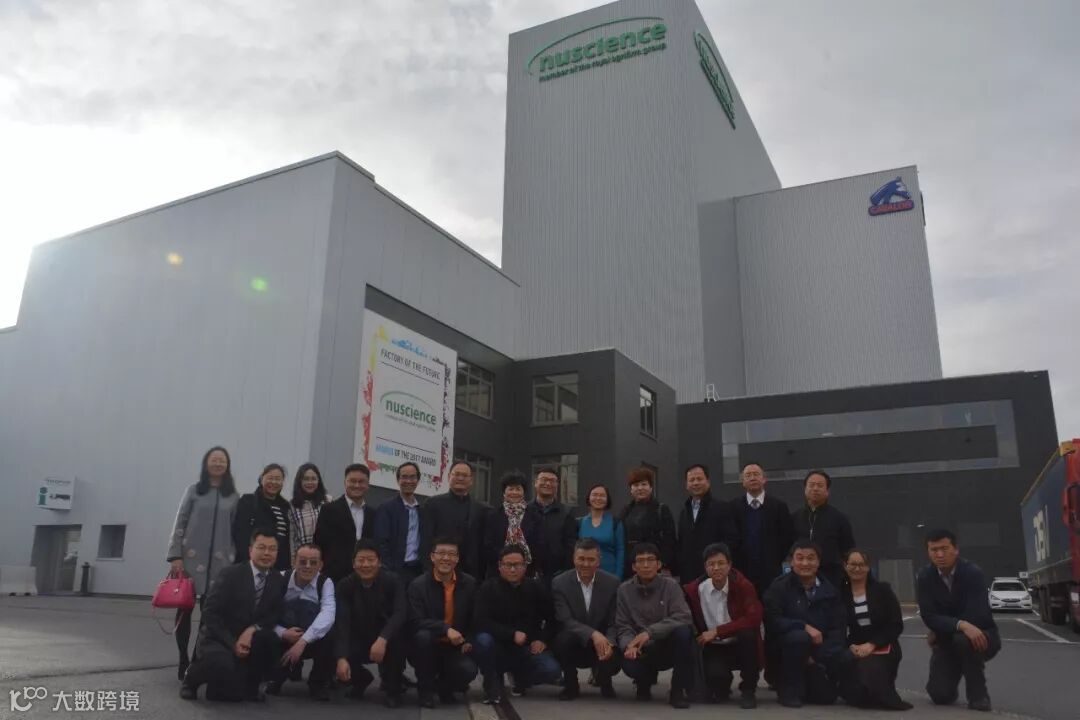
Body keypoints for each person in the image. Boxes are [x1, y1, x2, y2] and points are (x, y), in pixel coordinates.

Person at [179, 528, 286, 702]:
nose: (267, 553)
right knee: (222, 665)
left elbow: (274, 613)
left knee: (270, 641)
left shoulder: (277, 579)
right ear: (250, 550)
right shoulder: (230, 574)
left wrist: (251, 630)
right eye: (261, 547)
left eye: (272, 549)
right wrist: (232, 642)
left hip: (249, 638)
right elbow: (210, 613)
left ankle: (250, 687)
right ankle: (191, 679)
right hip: (219, 637)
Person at [167, 446, 240, 681]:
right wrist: (175, 555)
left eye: (222, 461)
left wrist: (233, 558)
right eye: (214, 460)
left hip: (220, 564)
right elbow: (180, 522)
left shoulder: (233, 496)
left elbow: (236, 530)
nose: (218, 464)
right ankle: (183, 658)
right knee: (184, 611)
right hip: (190, 560)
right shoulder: (193, 491)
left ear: (227, 465)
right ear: (206, 464)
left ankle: (197, 660)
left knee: (209, 615)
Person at [916, 529, 999, 713]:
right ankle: (952, 671)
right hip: (947, 639)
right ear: (928, 552)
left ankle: (978, 696)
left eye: (944, 548)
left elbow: (977, 614)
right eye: (934, 550)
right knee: (939, 695)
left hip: (981, 636)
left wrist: (946, 626)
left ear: (956, 549)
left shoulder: (973, 573)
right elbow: (929, 616)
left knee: (964, 640)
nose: (939, 554)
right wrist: (960, 624)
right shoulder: (924, 577)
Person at [763, 540, 848, 708]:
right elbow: (772, 621)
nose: (805, 563)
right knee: (799, 637)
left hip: (816, 656)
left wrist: (817, 658)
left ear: (818, 562)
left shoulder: (830, 591)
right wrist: (804, 626)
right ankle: (788, 690)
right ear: (791, 562)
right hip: (786, 652)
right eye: (800, 558)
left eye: (810, 558)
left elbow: (838, 629)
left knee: (826, 698)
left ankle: (808, 682)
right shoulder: (779, 587)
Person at [473, 544, 561, 704]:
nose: (513, 569)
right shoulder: (488, 588)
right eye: (508, 565)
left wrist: (542, 640)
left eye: (517, 565)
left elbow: (552, 618)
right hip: (498, 645)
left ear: (525, 566)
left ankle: (521, 678)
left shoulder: (535, 588)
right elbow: (481, 621)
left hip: (526, 647)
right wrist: (511, 634)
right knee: (482, 640)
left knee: (551, 670)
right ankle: (492, 680)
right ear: (500, 566)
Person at [615, 542, 695, 709]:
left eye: (650, 560)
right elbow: (623, 625)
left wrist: (649, 633)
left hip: (665, 644)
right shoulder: (624, 590)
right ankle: (643, 683)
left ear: (659, 564)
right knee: (629, 663)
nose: (646, 565)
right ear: (633, 567)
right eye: (640, 561)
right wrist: (628, 645)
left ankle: (677, 690)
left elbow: (683, 616)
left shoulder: (671, 586)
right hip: (641, 648)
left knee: (684, 632)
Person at [683, 542, 762, 708]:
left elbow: (753, 619)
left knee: (748, 634)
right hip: (714, 647)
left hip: (739, 642)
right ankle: (722, 684)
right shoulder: (695, 590)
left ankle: (748, 690)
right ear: (705, 567)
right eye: (711, 564)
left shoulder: (743, 586)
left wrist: (718, 631)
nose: (716, 568)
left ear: (729, 565)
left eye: (721, 563)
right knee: (716, 685)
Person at [333, 539, 408, 707]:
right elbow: (342, 622)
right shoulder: (345, 585)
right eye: (361, 560)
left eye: (371, 560)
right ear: (353, 563)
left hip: (385, 638)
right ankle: (360, 679)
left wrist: (383, 638)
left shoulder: (393, 581)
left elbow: (400, 613)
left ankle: (393, 688)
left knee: (399, 636)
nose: (366, 565)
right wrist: (341, 658)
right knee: (332, 638)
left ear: (379, 562)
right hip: (358, 637)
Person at [407, 536, 480, 708]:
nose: (446, 558)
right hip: (428, 645)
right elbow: (415, 621)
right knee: (423, 636)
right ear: (432, 557)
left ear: (458, 558)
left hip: (455, 646)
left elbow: (476, 618)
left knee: (468, 670)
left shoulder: (469, 583)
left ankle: (444, 687)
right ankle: (425, 690)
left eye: (451, 554)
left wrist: (468, 639)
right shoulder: (418, 585)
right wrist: (445, 629)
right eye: (441, 553)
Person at [839, 548, 911, 710]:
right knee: (855, 696)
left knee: (870, 670)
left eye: (861, 564)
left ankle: (883, 692)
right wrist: (850, 645)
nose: (857, 568)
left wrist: (872, 644)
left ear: (868, 567)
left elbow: (896, 624)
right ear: (845, 566)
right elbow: (837, 626)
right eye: (852, 564)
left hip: (883, 645)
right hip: (855, 646)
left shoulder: (883, 590)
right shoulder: (841, 593)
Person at [551, 538, 622, 700]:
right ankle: (571, 685)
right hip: (575, 640)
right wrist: (593, 634)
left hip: (602, 641)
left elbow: (614, 620)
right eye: (581, 559)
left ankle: (605, 681)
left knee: (613, 654)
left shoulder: (612, 583)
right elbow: (565, 620)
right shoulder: (559, 583)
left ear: (599, 561)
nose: (586, 564)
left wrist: (609, 642)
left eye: (591, 559)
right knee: (563, 640)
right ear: (573, 558)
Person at [266, 543, 336, 701]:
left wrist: (303, 641)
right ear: (294, 562)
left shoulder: (325, 583)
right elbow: (266, 613)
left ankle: (317, 683)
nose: (308, 566)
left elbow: (328, 614)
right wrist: (283, 633)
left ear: (321, 565)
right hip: (284, 636)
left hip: (310, 639)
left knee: (330, 634)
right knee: (264, 635)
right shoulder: (279, 578)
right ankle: (274, 677)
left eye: (313, 562)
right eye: (303, 561)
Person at [730, 463, 794, 598]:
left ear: (764, 479)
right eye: (748, 475)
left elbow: (787, 538)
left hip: (771, 572)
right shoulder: (733, 508)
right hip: (742, 572)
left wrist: (774, 560)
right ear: (742, 481)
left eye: (756, 474)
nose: (752, 478)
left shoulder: (779, 507)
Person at [420, 460, 488, 580]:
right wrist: (428, 571)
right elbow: (426, 541)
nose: (460, 478)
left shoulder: (481, 509)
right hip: (440, 571)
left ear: (471, 480)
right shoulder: (432, 504)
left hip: (470, 575)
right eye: (456, 474)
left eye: (464, 475)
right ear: (448, 477)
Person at [791, 469, 855, 590]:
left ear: (827, 491)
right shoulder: (794, 518)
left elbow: (848, 551)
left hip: (831, 579)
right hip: (799, 578)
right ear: (805, 489)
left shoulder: (839, 518)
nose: (815, 488)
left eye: (820, 485)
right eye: (811, 485)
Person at [313, 464, 376, 582]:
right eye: (352, 481)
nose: (357, 485)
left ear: (368, 485)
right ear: (345, 482)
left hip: (364, 578)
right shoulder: (329, 510)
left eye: (361, 482)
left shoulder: (373, 514)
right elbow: (319, 543)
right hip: (334, 577)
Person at [676, 464, 738, 581]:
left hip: (714, 574)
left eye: (699, 479)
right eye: (692, 480)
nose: (695, 483)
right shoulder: (684, 512)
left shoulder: (722, 508)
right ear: (686, 485)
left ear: (708, 482)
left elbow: (731, 541)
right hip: (689, 576)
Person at [482, 470, 543, 577]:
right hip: (498, 571)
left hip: (527, 571)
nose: (514, 492)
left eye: (518, 489)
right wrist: (507, 561)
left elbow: (539, 543)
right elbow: (488, 544)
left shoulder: (535, 515)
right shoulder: (493, 515)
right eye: (510, 489)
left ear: (524, 492)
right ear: (504, 492)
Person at [619, 466, 676, 578]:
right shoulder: (625, 511)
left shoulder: (661, 509)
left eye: (644, 484)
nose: (640, 488)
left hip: (655, 567)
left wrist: (663, 564)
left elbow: (670, 540)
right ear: (631, 489)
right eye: (636, 485)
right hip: (631, 568)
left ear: (651, 487)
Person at [234, 464, 292, 571]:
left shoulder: (286, 507)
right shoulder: (248, 501)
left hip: (278, 566)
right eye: (270, 478)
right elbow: (240, 535)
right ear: (261, 479)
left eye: (278, 479)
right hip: (252, 564)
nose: (274, 482)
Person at [373, 461, 424, 583]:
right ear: (398, 480)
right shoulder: (386, 508)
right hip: (394, 571)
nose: (408, 481)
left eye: (412, 477)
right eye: (404, 477)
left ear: (418, 480)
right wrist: (388, 569)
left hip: (417, 571)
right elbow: (381, 542)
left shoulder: (422, 510)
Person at [529, 467, 578, 583]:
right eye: (544, 479)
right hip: (528, 574)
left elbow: (570, 545)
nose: (547, 483)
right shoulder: (525, 510)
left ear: (557, 485)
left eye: (552, 481)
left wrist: (564, 571)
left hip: (557, 575)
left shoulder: (566, 512)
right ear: (535, 483)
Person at [577, 484, 624, 577]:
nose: (598, 498)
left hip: (609, 573)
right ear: (589, 498)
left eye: (602, 495)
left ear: (607, 500)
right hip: (584, 572)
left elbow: (620, 550)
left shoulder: (615, 522)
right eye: (594, 495)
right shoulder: (579, 522)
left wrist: (618, 576)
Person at [288, 463, 330, 561]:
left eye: (313, 479)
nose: (310, 482)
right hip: (303, 558)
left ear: (318, 481)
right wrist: (293, 560)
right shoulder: (292, 506)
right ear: (299, 481)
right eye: (306, 479)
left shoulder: (327, 502)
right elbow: (292, 537)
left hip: (324, 557)